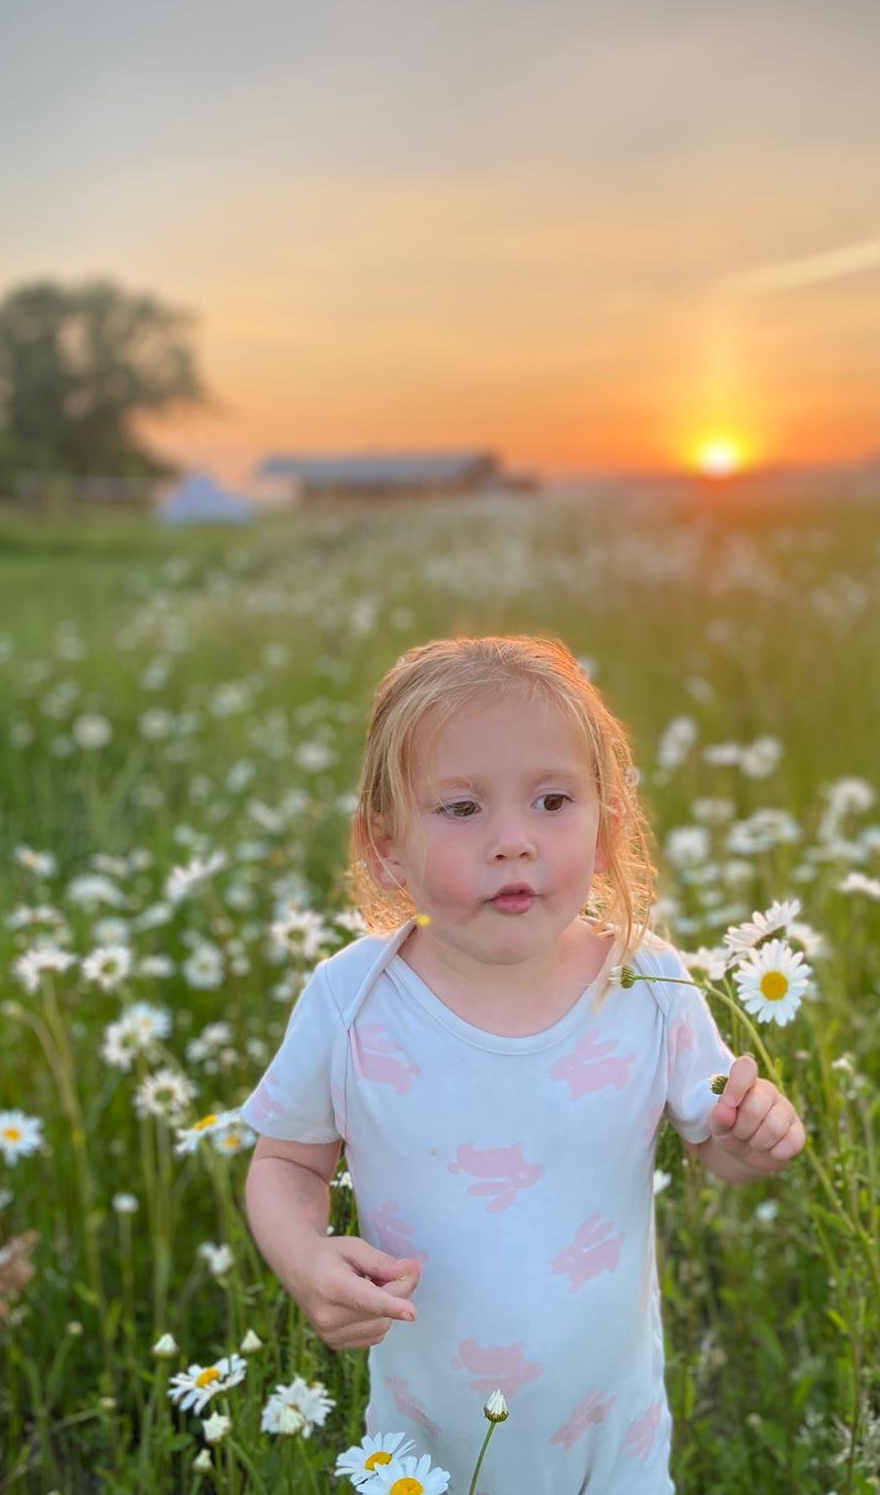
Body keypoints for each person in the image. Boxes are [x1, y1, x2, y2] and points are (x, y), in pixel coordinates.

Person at [241, 634, 805, 1493]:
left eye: (551, 800)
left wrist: (751, 1136)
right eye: (461, 809)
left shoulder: (647, 982)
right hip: (421, 1455)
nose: (512, 841)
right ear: (386, 844)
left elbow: (714, 1145)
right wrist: (305, 1259)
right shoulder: (352, 1002)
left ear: (608, 829)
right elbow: (285, 1160)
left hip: (610, 1450)